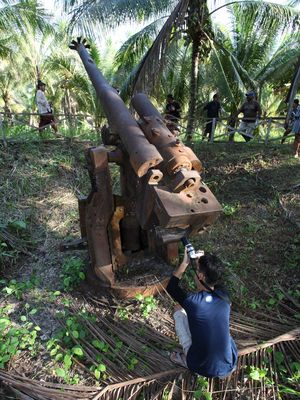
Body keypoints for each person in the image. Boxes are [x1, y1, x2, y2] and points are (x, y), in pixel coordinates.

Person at [166, 249, 237, 378]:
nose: (196, 272)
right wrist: (204, 262)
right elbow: (215, 279)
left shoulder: (193, 303)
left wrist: (185, 263)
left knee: (177, 309)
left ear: (201, 276)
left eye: (197, 270)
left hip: (202, 368)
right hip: (229, 365)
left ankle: (185, 359)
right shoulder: (224, 296)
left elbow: (171, 287)